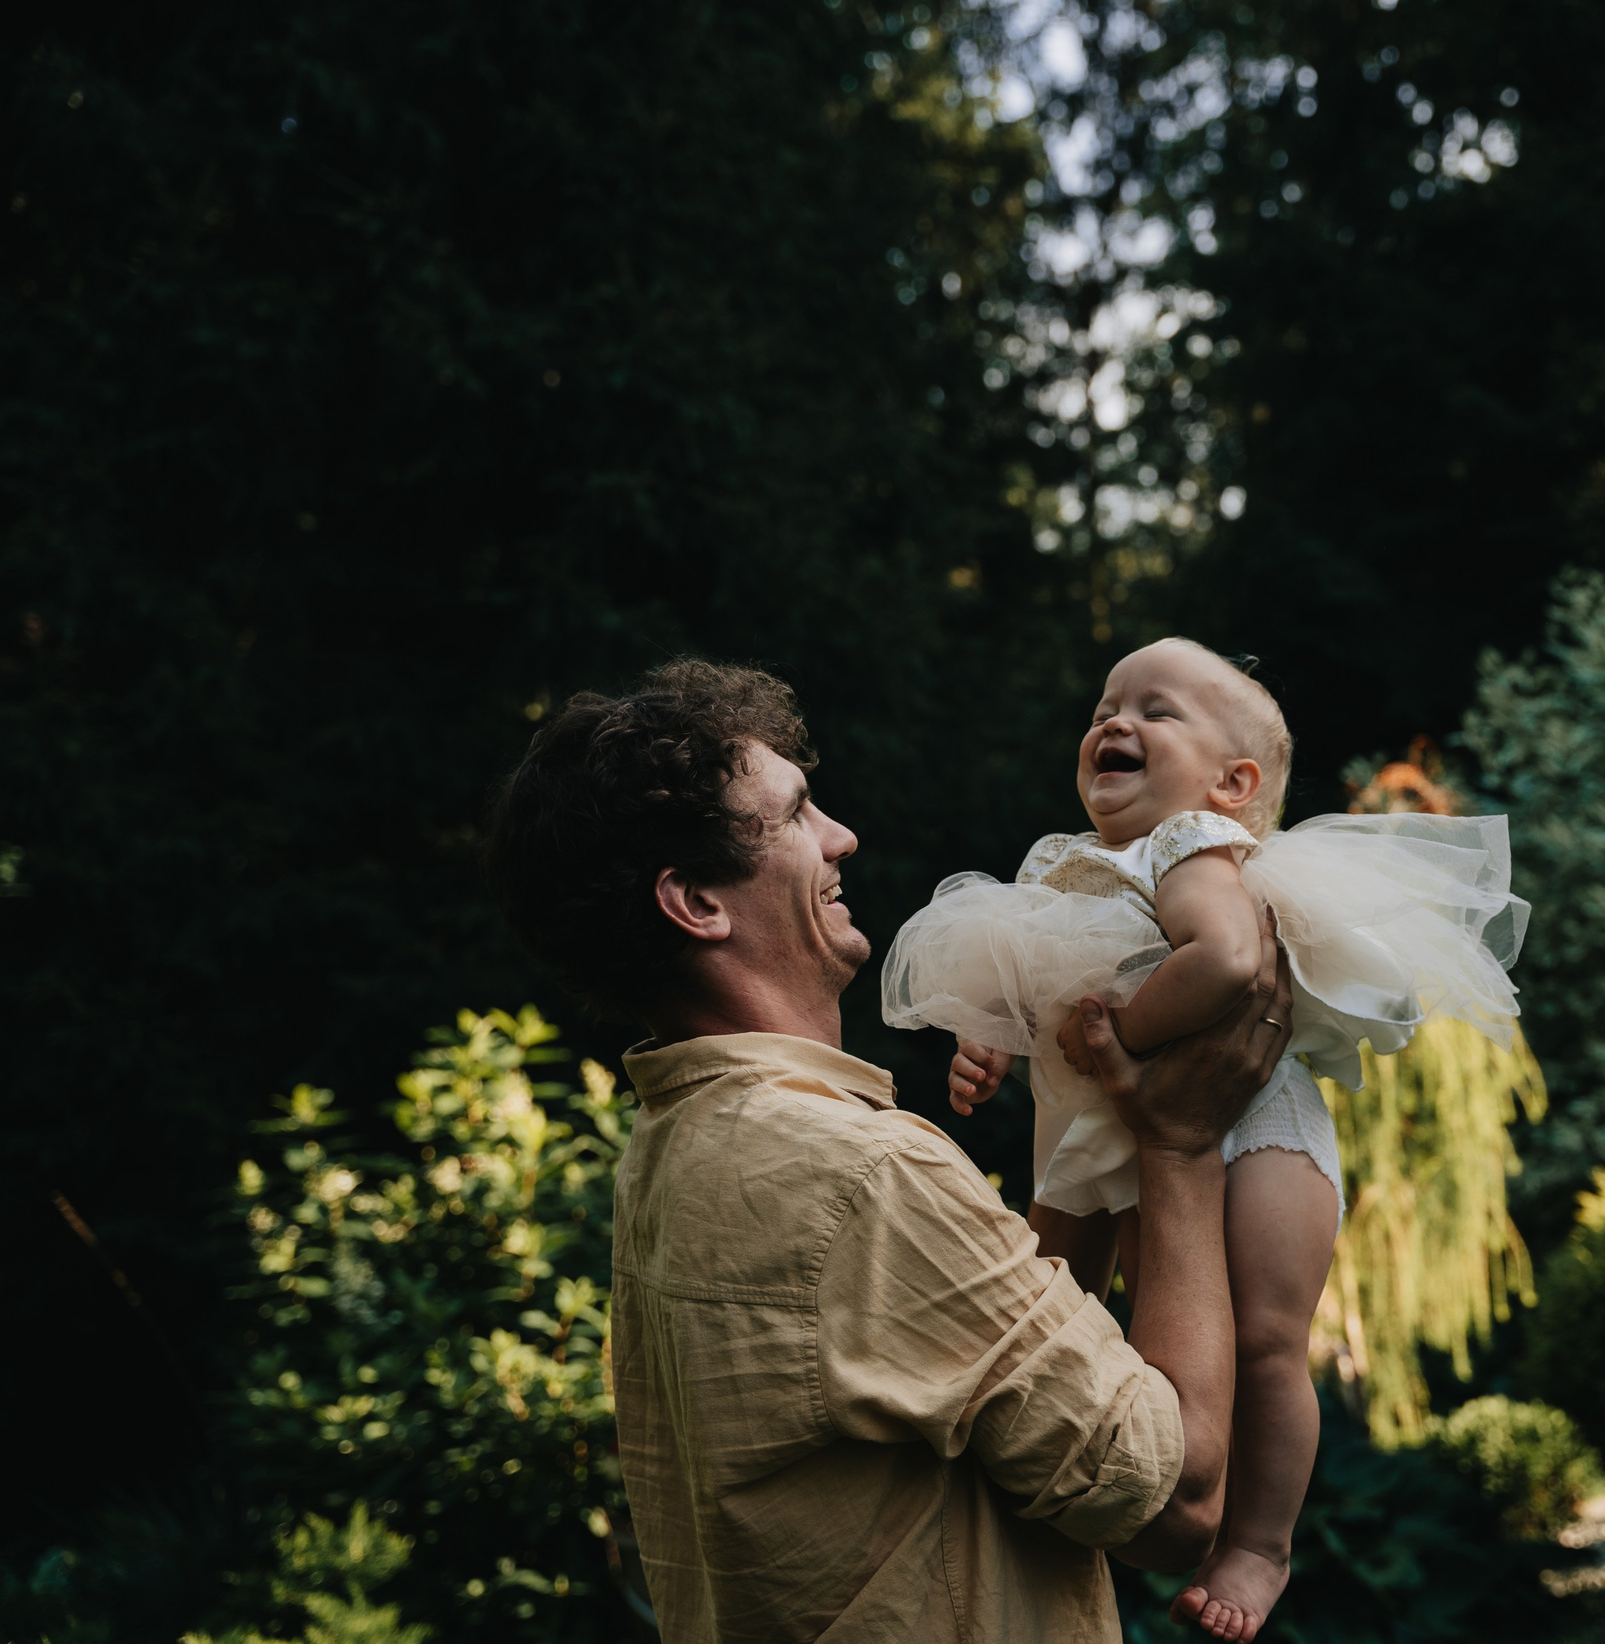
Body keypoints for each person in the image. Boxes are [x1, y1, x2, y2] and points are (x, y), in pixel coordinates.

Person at [483, 658, 1292, 1644]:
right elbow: (1173, 1503)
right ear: (696, 903)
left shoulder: (666, 1154)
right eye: (796, 815)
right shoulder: (862, 1176)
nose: (841, 837)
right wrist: (1177, 1145)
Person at [880, 638, 1526, 1639]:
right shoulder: (1064, 866)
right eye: (1104, 704)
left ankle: (1259, 1549)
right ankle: (1071, 1503)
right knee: (1134, 1348)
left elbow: (1224, 961)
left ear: (1234, 784)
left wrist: (1119, 1052)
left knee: (1268, 1342)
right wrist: (986, 1042)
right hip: (1129, 1148)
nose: (1114, 721)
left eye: (1157, 709)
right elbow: (1020, 967)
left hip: (1252, 1123)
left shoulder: (1190, 845)